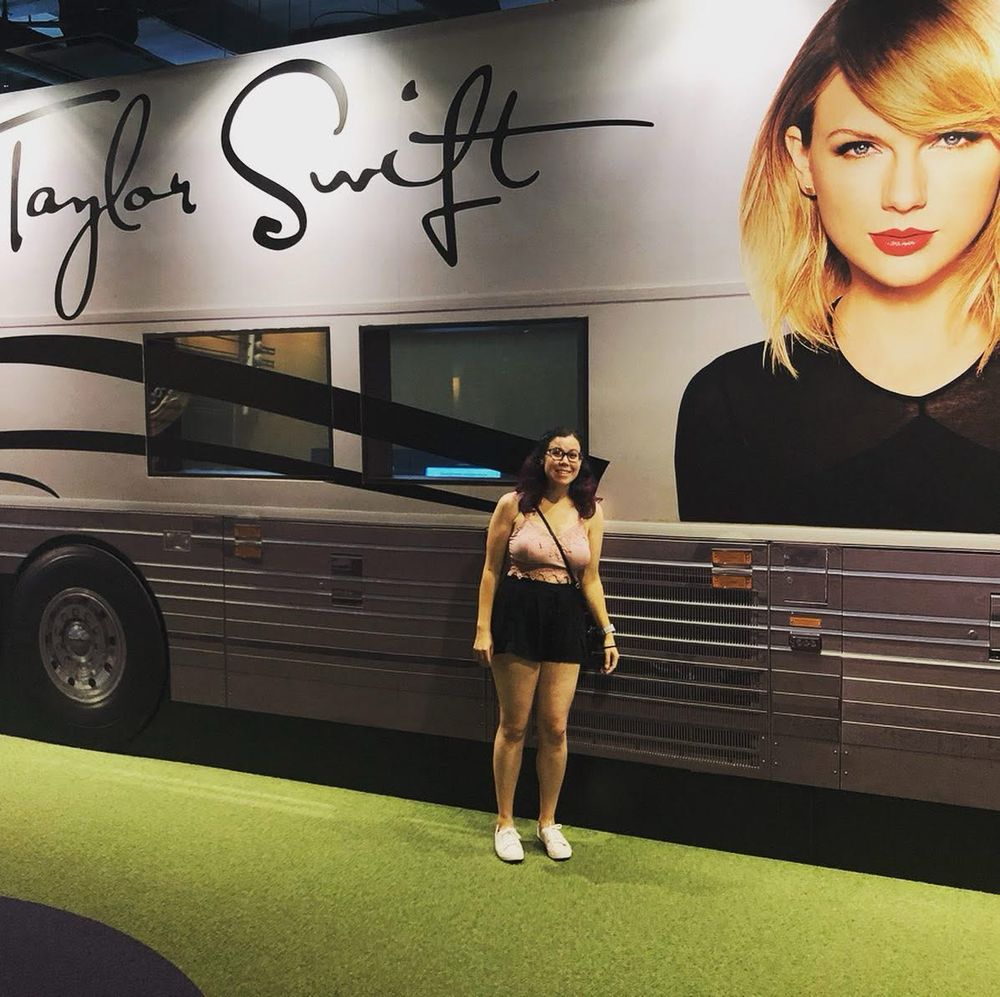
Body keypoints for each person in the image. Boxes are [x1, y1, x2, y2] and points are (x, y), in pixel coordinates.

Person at [675, 0, 1000, 532]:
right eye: (860, 147)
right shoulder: (730, 403)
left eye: (951, 137)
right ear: (803, 160)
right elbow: (729, 612)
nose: (904, 195)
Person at [473, 428, 619, 863]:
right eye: (556, 452)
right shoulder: (513, 505)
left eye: (573, 455)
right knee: (514, 725)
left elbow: (590, 578)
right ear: (542, 459)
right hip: (517, 615)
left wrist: (608, 631)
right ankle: (505, 822)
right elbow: (490, 572)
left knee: (555, 727)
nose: (565, 461)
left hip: (565, 619)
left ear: (581, 464)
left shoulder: (590, 512)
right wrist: (483, 629)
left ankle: (547, 822)